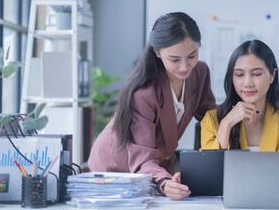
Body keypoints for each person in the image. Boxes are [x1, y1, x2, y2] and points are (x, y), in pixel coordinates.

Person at [88, 12, 216, 200]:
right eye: (174, 59)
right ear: (157, 52)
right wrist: (164, 183)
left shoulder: (200, 72)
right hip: (116, 168)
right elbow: (143, 160)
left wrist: (238, 112)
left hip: (157, 166)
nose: (185, 66)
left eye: (192, 55)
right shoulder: (144, 93)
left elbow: (208, 113)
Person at [201, 40, 279, 151]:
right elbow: (211, 167)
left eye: (256, 74)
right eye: (239, 74)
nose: (247, 83)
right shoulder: (212, 120)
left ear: (272, 75)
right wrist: (226, 124)